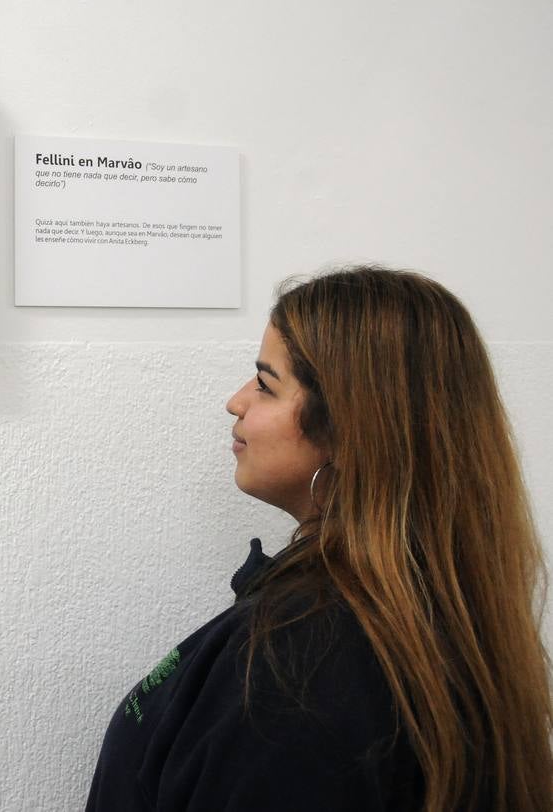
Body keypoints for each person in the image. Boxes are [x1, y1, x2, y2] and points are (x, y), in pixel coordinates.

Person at [85, 267, 553, 811]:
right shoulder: (426, 609)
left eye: (265, 384)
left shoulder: (298, 671)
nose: (236, 401)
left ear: (349, 427)